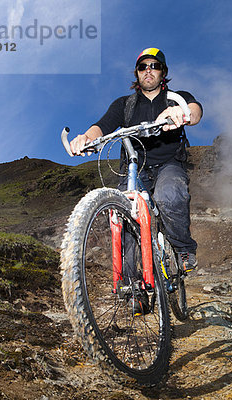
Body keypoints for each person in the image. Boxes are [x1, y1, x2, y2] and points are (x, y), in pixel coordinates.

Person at [70, 47, 202, 271]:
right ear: (137, 73)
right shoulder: (125, 104)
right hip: (134, 168)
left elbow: (195, 110)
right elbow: (101, 126)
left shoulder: (175, 98)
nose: (148, 70)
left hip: (168, 164)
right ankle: (132, 289)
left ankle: (183, 250)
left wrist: (181, 113)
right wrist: (85, 138)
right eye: (143, 67)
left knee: (170, 195)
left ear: (163, 72)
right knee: (123, 219)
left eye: (154, 66)